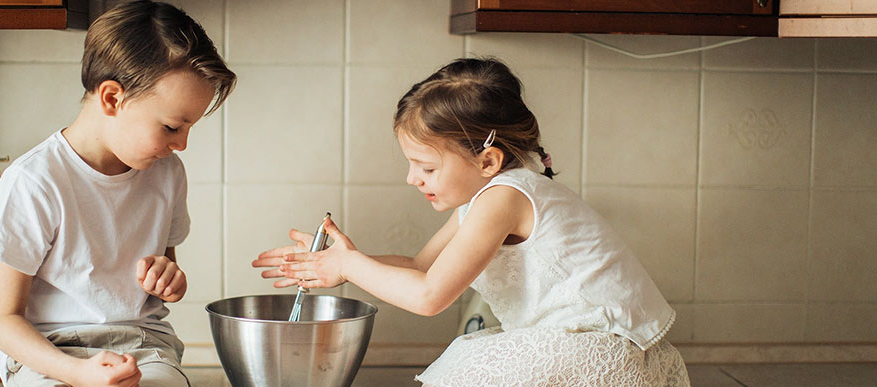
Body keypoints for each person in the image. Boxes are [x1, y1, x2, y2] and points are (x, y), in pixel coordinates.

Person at [252, 58, 689, 386]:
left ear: (487, 161)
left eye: (425, 166)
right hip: (588, 347)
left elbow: (428, 297)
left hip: (602, 352)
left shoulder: (505, 197)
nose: (411, 178)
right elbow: (421, 268)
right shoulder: (487, 198)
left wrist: (349, 267)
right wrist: (341, 260)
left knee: (463, 370)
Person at [0, 1, 235, 386]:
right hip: (49, 352)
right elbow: (1, 321)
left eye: (188, 129)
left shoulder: (166, 173)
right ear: (112, 99)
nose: (182, 144)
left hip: (141, 345)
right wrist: (79, 373)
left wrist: (170, 280)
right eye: (171, 127)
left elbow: (165, 274)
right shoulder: (36, 181)